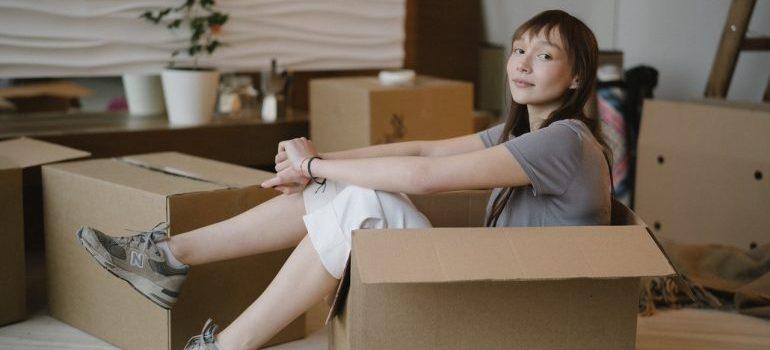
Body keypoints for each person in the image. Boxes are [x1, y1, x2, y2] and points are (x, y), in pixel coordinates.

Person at [75, 9, 611, 350]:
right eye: (519, 49)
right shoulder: (521, 133)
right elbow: (420, 147)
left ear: (578, 76)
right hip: (495, 286)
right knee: (338, 192)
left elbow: (425, 176)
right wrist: (317, 164)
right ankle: (169, 257)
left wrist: (313, 166)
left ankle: (224, 344)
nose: (522, 62)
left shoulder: (564, 141)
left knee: (356, 201)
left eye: (544, 55)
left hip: (523, 314)